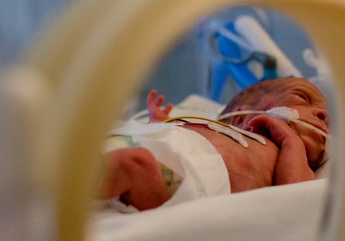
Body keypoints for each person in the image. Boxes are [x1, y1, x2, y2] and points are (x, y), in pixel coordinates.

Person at [97, 77, 329, 211]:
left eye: (327, 117)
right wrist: (157, 123)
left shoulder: (284, 152)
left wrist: (291, 143)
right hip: (141, 146)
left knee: (133, 165)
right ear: (241, 117)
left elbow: (299, 198)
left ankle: (64, 196)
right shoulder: (227, 130)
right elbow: (171, 136)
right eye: (302, 98)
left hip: (180, 182)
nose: (322, 114)